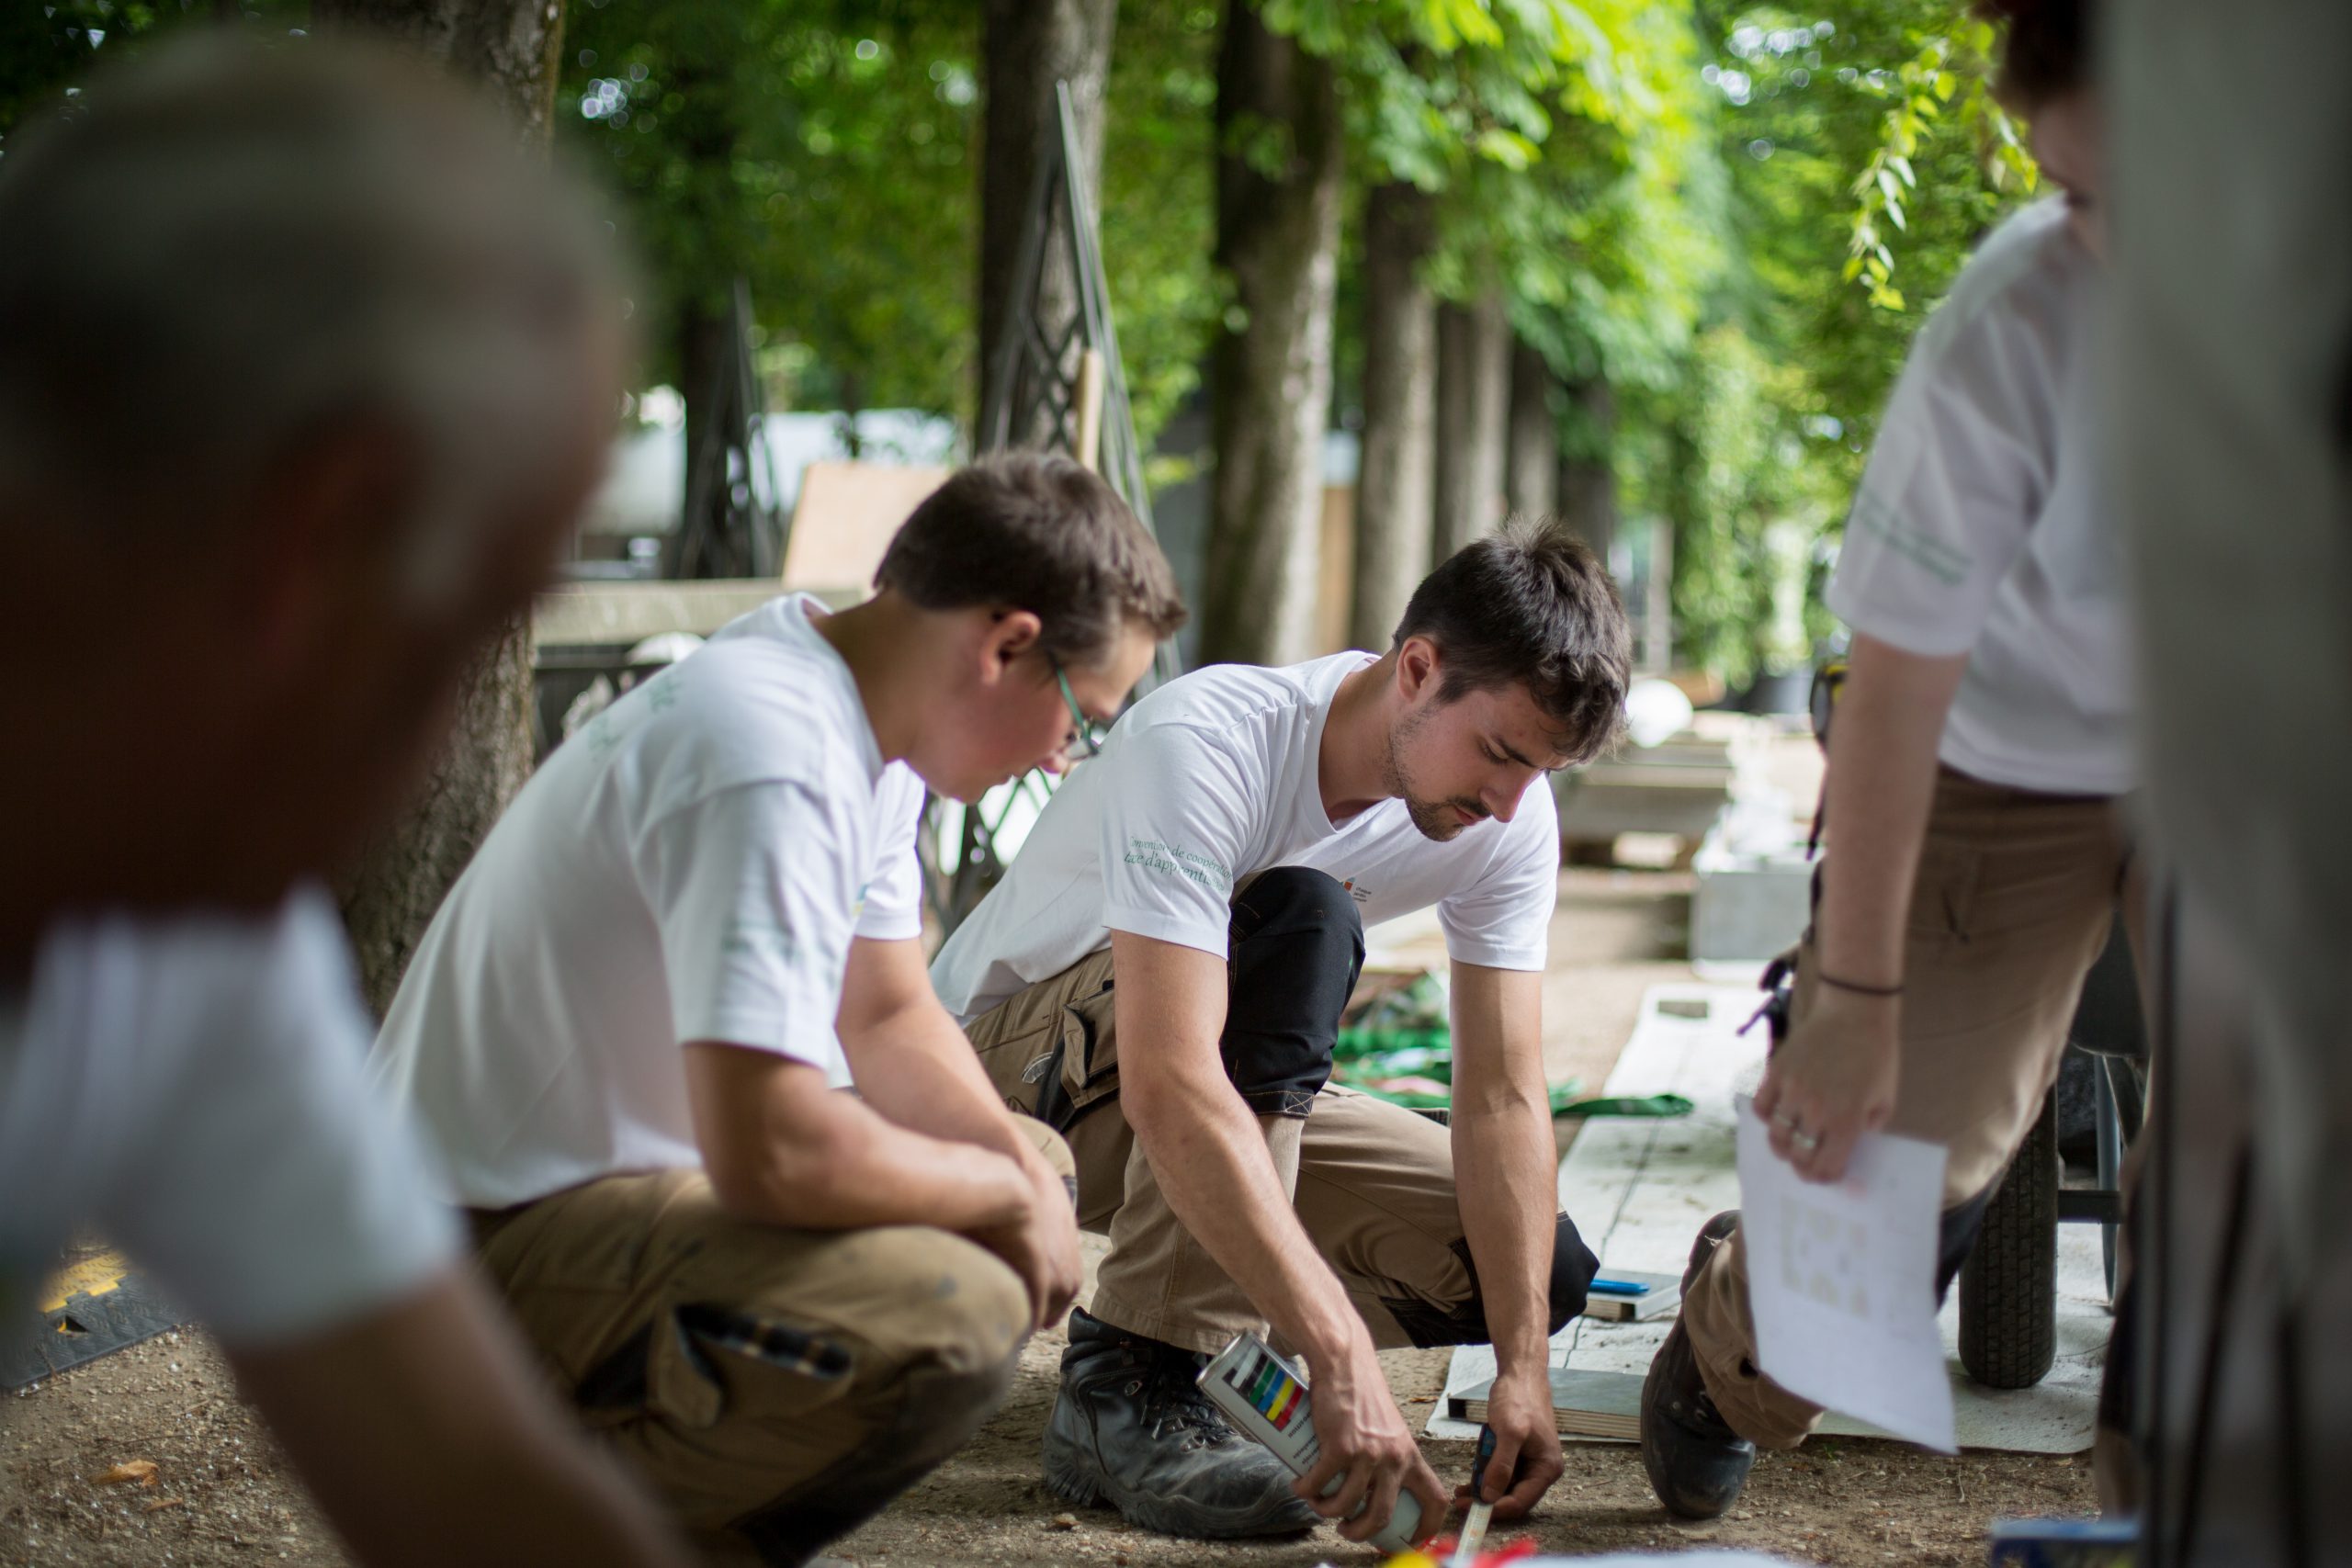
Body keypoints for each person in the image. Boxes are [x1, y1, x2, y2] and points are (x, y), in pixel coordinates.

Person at [0, 40, 688, 1568]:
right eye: (475, 626)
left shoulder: (180, 905)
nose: (451, 730)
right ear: (321, 538)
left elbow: (468, 1483)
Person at [367, 453, 1185, 1565]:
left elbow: (889, 1014)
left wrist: (1011, 1172)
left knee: (1022, 1160)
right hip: (449, 1251)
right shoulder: (769, 751)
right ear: (1004, 646)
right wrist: (997, 1194)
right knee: (948, 1304)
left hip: (571, 1194)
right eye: (1078, 721)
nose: (1059, 759)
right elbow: (773, 1152)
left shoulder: (854, 716)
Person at [1638, 0, 2134, 1520]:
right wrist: (1851, 1003)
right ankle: (1737, 1339)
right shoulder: (2018, 316)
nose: (2105, 239)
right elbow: (1897, 684)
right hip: (2009, 763)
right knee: (1883, 1193)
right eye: (2074, 193)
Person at [930, 519, 1629, 1546]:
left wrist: (1522, 1373)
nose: (1508, 801)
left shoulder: (1502, 819)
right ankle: (1127, 1384)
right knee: (1299, 917)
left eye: (1541, 775)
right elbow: (1172, 1081)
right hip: (990, 1087)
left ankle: (1220, 1366)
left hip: (1185, 1076)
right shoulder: (1208, 742)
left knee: (1525, 1267)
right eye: (1498, 753)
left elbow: (1504, 1097)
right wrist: (1337, 1353)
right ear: (1419, 669)